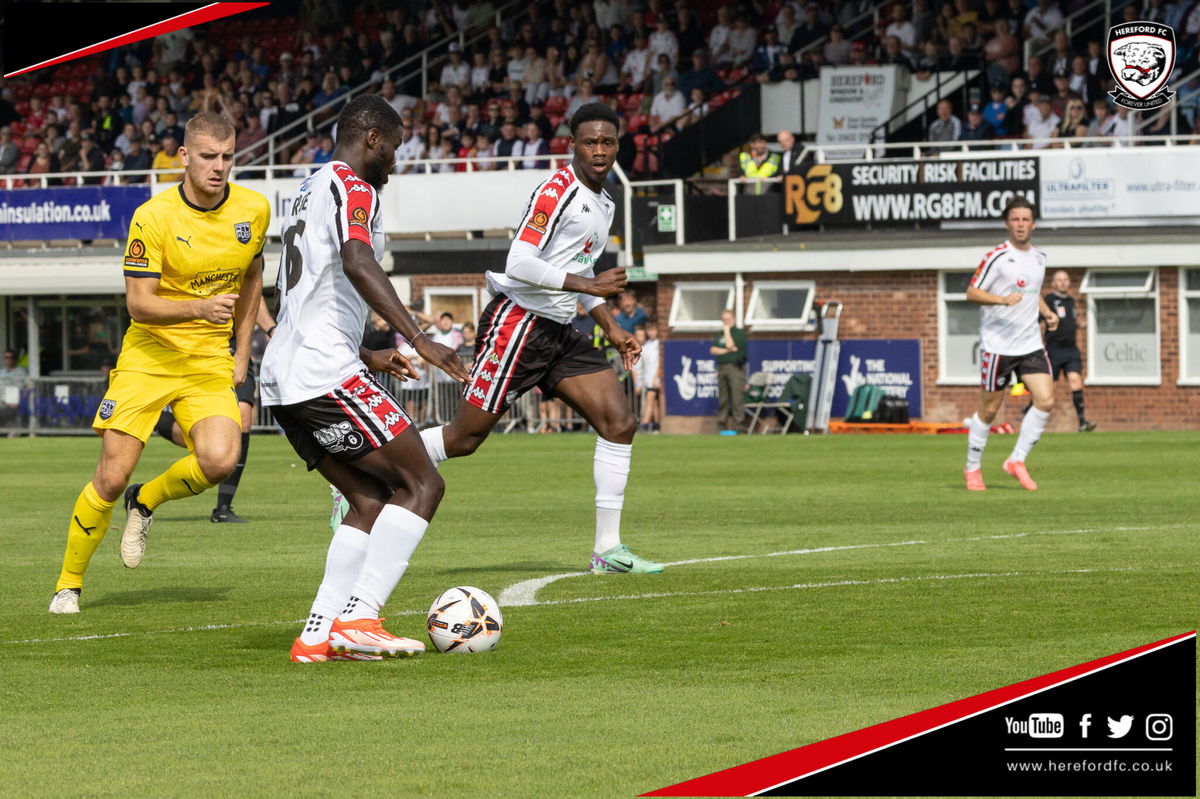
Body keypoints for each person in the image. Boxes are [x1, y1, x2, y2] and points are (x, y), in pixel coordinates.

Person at [260, 94, 470, 662]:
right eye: (395, 147)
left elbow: (308, 292)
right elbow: (358, 262)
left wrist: (368, 353)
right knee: (422, 485)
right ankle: (361, 616)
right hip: (323, 372)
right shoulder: (354, 186)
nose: (396, 161)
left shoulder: (308, 188)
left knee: (368, 497)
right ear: (372, 138)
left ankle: (317, 635)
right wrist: (418, 337)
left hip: (285, 376)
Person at [418, 103, 665, 575]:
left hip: (559, 331)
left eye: (607, 142)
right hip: (519, 324)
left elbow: (580, 268)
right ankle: (363, 465)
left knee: (619, 422)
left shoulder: (605, 202)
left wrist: (611, 328)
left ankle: (607, 551)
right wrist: (589, 286)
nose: (599, 150)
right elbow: (519, 263)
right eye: (590, 142)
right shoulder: (556, 191)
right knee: (464, 439)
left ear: (618, 146)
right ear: (572, 145)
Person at [49, 112, 269, 614]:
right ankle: (68, 585)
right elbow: (139, 304)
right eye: (208, 156)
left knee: (220, 460)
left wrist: (242, 350)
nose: (219, 167)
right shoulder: (153, 216)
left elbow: (253, 277)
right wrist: (198, 308)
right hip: (148, 355)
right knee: (111, 476)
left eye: (228, 157)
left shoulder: (254, 208)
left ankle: (146, 499)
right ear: (185, 156)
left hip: (208, 358)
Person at [963, 196, 1059, 492]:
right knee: (990, 410)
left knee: (1046, 400)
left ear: (1033, 224)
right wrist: (1001, 299)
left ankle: (1016, 460)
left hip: (1030, 343)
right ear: (1007, 224)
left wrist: (1047, 313)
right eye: (1015, 219)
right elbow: (972, 292)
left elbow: (1034, 292)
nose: (1020, 224)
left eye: (1025, 219)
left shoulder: (1040, 257)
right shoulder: (997, 257)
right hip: (998, 346)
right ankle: (972, 467)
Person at [153, 298, 278, 522]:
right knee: (204, 444)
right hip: (193, 344)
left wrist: (271, 329)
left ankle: (223, 508)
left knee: (243, 417)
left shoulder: (246, 273)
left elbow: (252, 295)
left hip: (233, 347)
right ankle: (156, 420)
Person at [1040, 270, 1097, 432]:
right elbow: (1039, 322)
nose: (1063, 282)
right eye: (1059, 280)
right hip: (1053, 350)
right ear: (1053, 283)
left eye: (1065, 279)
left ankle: (1082, 423)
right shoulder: (1048, 300)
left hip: (1071, 349)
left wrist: (1078, 324)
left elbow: (1067, 321)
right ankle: (1031, 412)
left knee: (1076, 381)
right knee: (1049, 389)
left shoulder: (1071, 301)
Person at [711, 308, 747, 433]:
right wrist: (727, 351)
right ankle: (722, 426)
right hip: (721, 368)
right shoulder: (719, 334)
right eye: (724, 320)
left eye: (728, 319)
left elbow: (730, 344)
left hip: (735, 368)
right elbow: (713, 350)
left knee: (737, 398)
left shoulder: (738, 333)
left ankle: (739, 426)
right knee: (723, 399)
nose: (726, 322)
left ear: (734, 319)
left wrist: (727, 332)